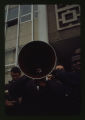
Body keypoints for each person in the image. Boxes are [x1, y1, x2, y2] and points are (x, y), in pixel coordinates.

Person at [51, 48, 80, 115]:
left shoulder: (71, 76)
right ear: (72, 65)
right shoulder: (66, 79)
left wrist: (56, 72)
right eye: (75, 62)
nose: (78, 63)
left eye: (80, 60)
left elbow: (66, 76)